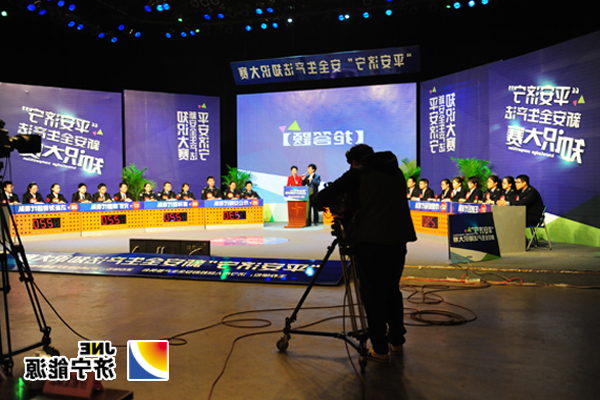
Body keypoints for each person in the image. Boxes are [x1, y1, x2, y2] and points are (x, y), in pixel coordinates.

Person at [312, 144, 416, 362]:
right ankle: (396, 341)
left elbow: (320, 198)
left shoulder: (358, 173)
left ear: (355, 162)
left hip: (370, 243)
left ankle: (380, 348)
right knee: (391, 290)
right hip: (398, 241)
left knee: (372, 294)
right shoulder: (395, 172)